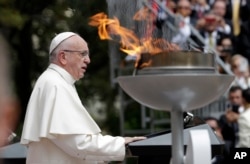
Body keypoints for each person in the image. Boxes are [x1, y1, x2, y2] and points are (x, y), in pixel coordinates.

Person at [20, 32, 146, 164]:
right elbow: (78, 143)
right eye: (82, 54)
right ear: (63, 57)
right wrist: (121, 144)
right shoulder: (55, 85)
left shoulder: (56, 82)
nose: (88, 60)